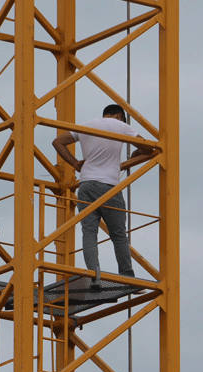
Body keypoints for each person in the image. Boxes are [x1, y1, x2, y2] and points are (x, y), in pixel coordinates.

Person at [51, 104, 155, 287]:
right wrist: (137, 152)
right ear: (118, 116)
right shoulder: (121, 126)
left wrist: (75, 163)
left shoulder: (86, 125)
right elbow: (147, 148)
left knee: (89, 233)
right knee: (119, 235)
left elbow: (57, 142)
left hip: (86, 185)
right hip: (109, 187)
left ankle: (94, 276)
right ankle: (128, 277)